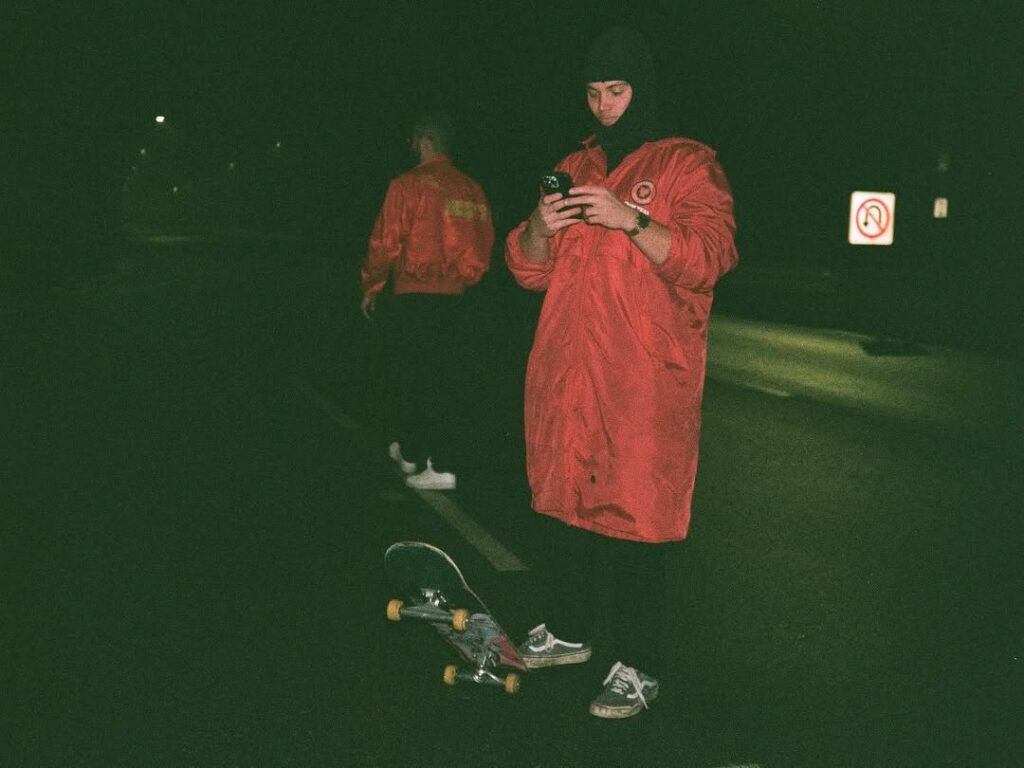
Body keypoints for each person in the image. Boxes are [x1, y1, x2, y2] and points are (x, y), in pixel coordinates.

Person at [505, 28, 739, 718]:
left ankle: (639, 665)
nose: (604, 105)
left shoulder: (687, 164)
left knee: (637, 516)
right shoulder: (573, 164)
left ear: (643, 89)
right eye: (593, 92)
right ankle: (569, 630)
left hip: (642, 378)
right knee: (567, 502)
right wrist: (540, 226)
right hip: (568, 368)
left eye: (617, 90)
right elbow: (526, 270)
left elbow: (709, 258)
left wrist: (630, 218)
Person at [360, 110, 494, 491]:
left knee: (414, 377)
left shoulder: (407, 185)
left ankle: (442, 465)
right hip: (458, 298)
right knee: (440, 376)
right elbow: (483, 242)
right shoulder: (471, 189)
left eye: (414, 142)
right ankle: (414, 451)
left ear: (424, 142)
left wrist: (371, 285)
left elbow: (385, 241)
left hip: (414, 295)